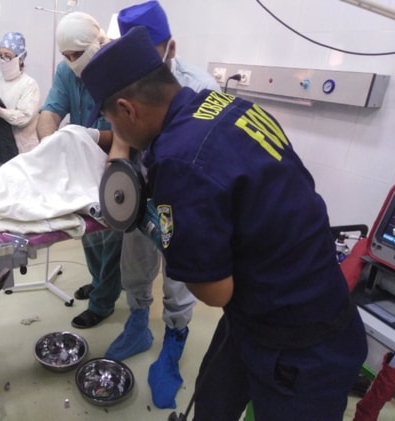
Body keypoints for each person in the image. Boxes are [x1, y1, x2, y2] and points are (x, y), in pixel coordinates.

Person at [81, 26, 368, 420]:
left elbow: (215, 292)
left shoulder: (180, 161)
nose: (118, 132)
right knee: (213, 403)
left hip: (302, 343)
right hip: (265, 307)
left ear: (128, 109)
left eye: (113, 122)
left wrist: (155, 228)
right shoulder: (228, 106)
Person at [103, 0, 222, 409]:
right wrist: (116, 183)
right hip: (142, 187)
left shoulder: (201, 88)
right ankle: (138, 324)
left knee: (179, 271)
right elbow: (121, 137)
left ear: (170, 48)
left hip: (184, 192)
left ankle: (174, 339)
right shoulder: (123, 78)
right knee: (134, 259)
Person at [36, 11, 124, 329]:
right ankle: (99, 281)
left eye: (77, 54)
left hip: (116, 161)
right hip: (82, 164)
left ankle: (103, 302)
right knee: (87, 230)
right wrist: (50, 145)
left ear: (95, 44)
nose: (72, 61)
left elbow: (127, 133)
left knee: (110, 236)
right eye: (66, 55)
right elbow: (50, 112)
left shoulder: (119, 70)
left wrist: (92, 136)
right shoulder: (66, 72)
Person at [0, 31, 40, 176]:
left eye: (7, 56)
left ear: (20, 59)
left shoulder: (29, 85)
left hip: (20, 152)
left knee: (16, 186)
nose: (2, 60)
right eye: (0, 55)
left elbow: (24, 118)